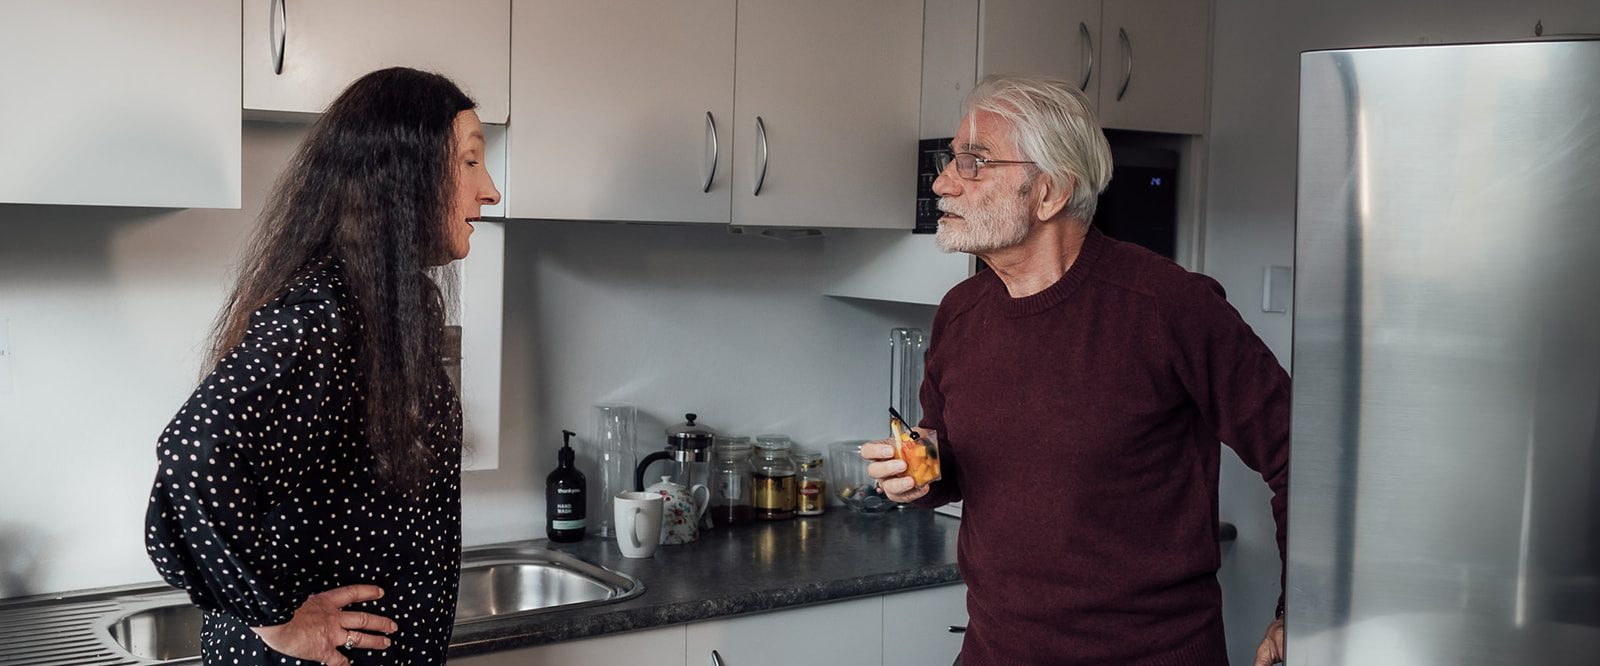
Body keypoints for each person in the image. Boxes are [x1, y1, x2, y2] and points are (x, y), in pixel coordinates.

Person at [864, 74, 1289, 666]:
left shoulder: (1167, 306)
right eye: (949, 160)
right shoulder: (960, 313)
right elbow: (958, 466)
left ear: (1050, 192)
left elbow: (1301, 456)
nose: (941, 183)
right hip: (996, 650)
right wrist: (920, 472)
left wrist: (1301, 609)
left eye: (974, 162)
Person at [143, 67, 501, 666]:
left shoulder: (376, 308)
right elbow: (196, 451)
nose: (489, 189)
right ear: (401, 175)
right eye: (469, 162)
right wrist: (276, 617)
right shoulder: (323, 312)